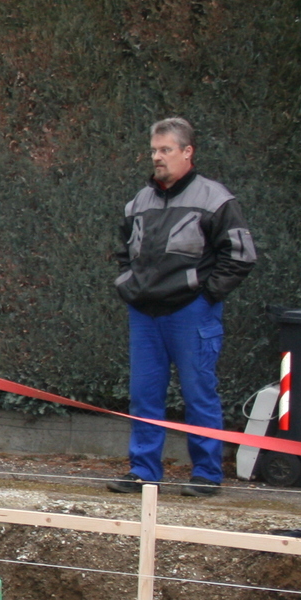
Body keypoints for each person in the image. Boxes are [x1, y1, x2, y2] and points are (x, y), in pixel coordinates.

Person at [106, 118, 256, 496]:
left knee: (199, 393)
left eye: (165, 150)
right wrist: (128, 285)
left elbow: (241, 255)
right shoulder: (139, 200)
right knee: (144, 396)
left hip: (192, 313)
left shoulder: (215, 199)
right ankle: (144, 472)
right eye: (154, 150)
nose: (157, 157)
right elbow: (123, 251)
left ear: (187, 152)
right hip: (144, 314)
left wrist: (206, 296)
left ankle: (206, 475)